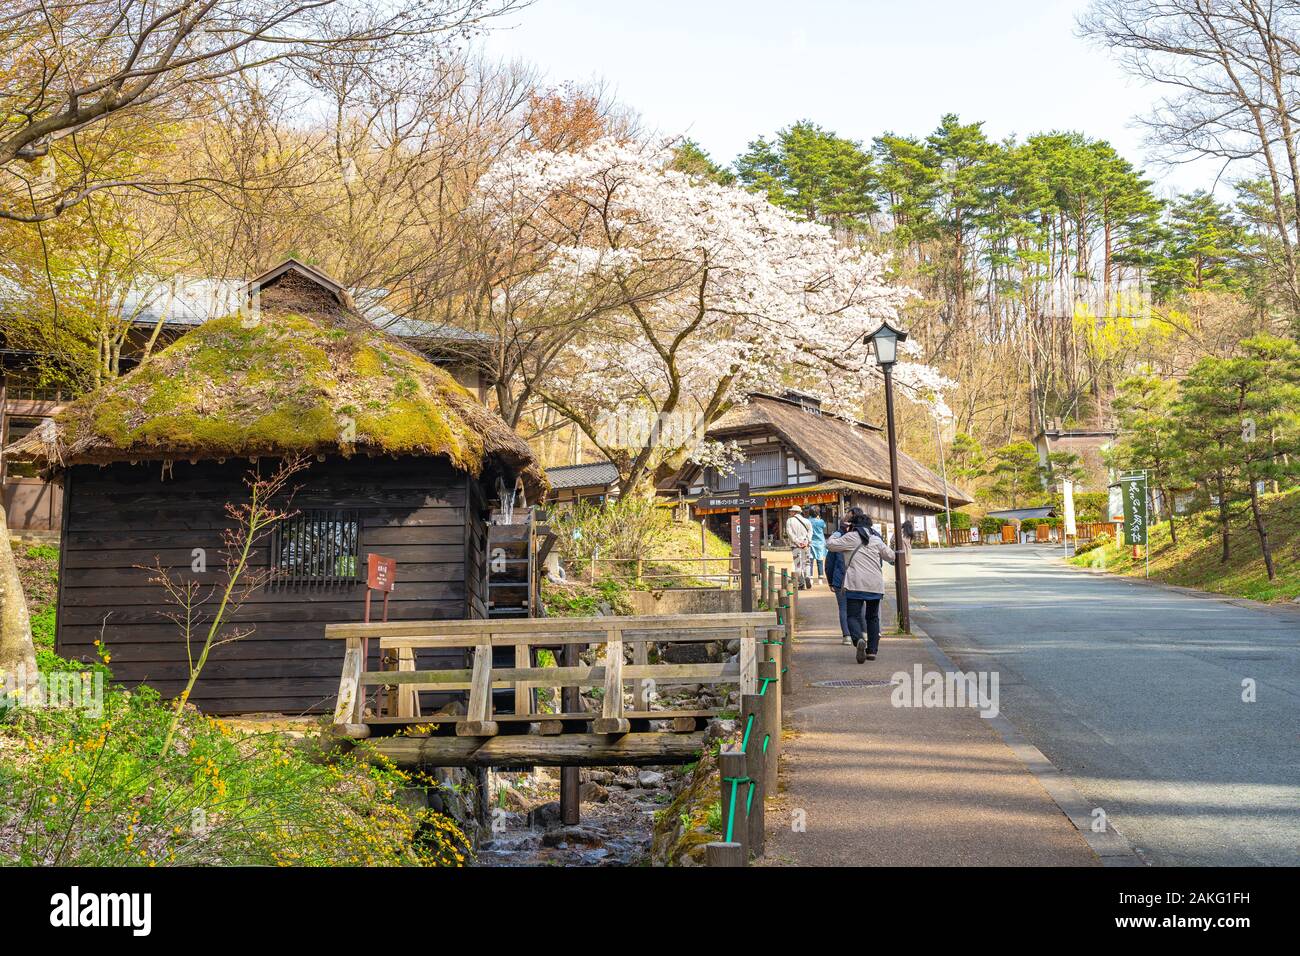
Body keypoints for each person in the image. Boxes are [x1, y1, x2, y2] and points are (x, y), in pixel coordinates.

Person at [826, 511, 896, 663]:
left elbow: (830, 545)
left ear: (853, 526)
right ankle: (872, 651)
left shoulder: (849, 537)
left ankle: (858, 640)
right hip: (874, 585)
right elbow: (891, 556)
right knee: (872, 617)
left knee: (852, 615)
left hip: (855, 584)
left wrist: (837, 533)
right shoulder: (876, 539)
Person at [824, 512, 863, 645]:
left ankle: (846, 636)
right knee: (860, 607)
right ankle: (863, 633)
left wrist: (830, 581)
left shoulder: (836, 540)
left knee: (843, 608)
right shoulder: (862, 538)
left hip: (840, 579)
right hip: (857, 579)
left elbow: (829, 563)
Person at [785, 505, 815, 589]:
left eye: (791, 511)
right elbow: (810, 532)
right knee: (807, 562)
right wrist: (807, 541)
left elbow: (789, 533)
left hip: (795, 545)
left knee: (797, 564)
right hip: (806, 545)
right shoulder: (806, 521)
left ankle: (801, 583)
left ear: (794, 512)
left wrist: (797, 542)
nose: (790, 512)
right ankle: (807, 576)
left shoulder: (789, 521)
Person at [808, 506, 828, 583]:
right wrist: (818, 518)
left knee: (810, 560)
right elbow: (824, 526)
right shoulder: (821, 521)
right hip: (820, 542)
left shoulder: (807, 521)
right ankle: (820, 579)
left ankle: (811, 578)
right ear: (818, 513)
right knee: (820, 560)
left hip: (811, 542)